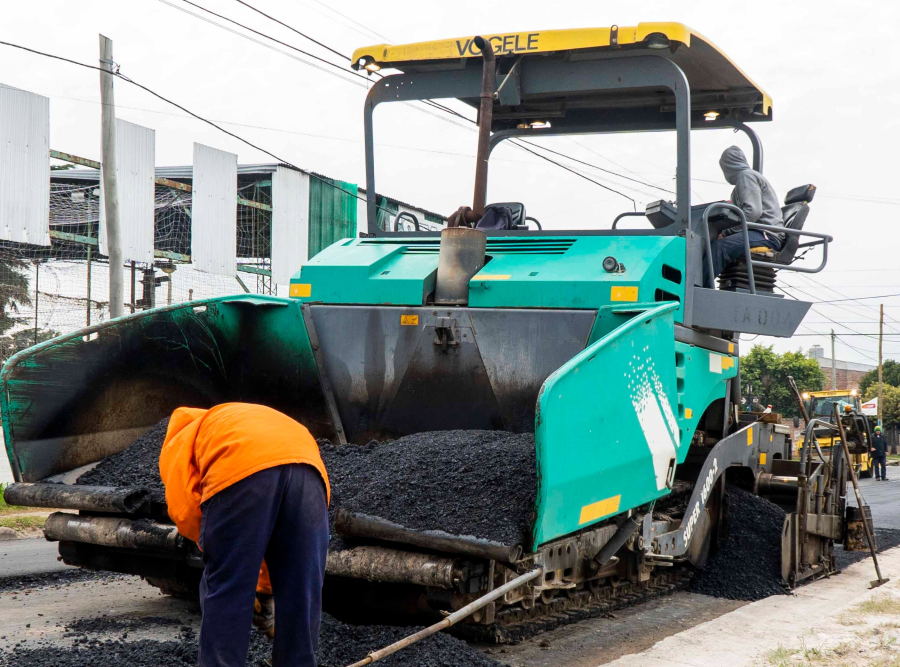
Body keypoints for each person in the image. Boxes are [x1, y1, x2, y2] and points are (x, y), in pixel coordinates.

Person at [159, 403, 330, 667]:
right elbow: (277, 534)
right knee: (302, 586)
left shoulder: (184, 439)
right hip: (309, 471)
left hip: (241, 467)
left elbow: (185, 510)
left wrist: (222, 555)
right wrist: (265, 586)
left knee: (228, 587)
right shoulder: (239, 419)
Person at [703, 146, 787, 286]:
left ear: (729, 164)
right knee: (712, 243)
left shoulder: (746, 176)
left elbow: (753, 212)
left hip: (765, 233)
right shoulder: (743, 181)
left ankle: (697, 289)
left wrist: (727, 232)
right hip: (758, 231)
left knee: (720, 247)